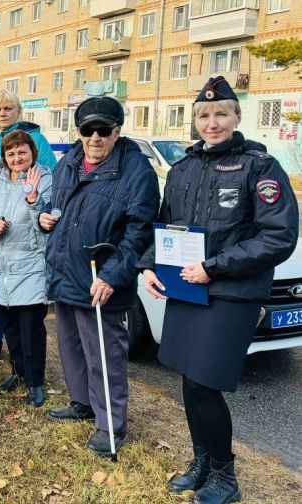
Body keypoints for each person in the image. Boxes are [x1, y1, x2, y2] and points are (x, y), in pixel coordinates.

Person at [139, 77, 298, 502]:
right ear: (195, 120)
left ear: (237, 116)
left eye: (221, 113)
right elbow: (165, 227)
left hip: (232, 292)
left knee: (206, 382)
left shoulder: (259, 167)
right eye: (204, 115)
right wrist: (150, 267)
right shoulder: (183, 168)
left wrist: (214, 268)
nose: (213, 122)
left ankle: (226, 478)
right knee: (189, 381)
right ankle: (203, 461)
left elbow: (278, 236)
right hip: (188, 289)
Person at [38, 96, 159, 455]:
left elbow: (140, 232)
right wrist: (45, 217)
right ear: (78, 132)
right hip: (66, 273)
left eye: (103, 130)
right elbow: (54, 204)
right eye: (87, 130)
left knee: (105, 353)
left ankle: (111, 426)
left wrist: (112, 276)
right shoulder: (69, 163)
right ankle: (82, 403)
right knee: (71, 345)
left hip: (100, 279)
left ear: (117, 131)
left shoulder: (136, 171)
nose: (94, 137)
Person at [0, 90, 58, 359]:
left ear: (18, 111)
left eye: (8, 108)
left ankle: (22, 355)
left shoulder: (36, 140)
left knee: (21, 293)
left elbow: (49, 176)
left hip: (25, 222)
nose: (3, 113)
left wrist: (35, 202)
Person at [0, 130, 53, 406]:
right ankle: (18, 372)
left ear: (32, 153)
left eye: (22, 152)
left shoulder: (44, 180)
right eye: (11, 153)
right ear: (4, 158)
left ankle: (35, 382)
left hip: (29, 264)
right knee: (10, 326)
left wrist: (32, 200)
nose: (17, 158)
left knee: (30, 325)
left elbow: (46, 223)